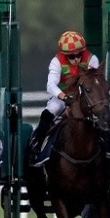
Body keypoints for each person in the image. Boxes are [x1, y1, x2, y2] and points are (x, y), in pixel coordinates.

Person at [28, 31, 101, 167]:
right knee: (48, 113)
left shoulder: (92, 59)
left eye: (79, 55)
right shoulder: (56, 62)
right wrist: (64, 97)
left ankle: (107, 149)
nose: (76, 59)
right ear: (64, 55)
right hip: (63, 97)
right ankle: (37, 145)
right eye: (71, 57)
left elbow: (95, 82)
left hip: (86, 98)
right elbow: (50, 85)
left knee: (102, 115)